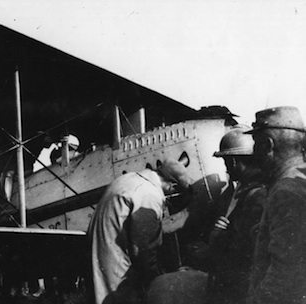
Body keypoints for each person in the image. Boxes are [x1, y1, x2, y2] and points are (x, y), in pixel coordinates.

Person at [88, 158, 192, 304]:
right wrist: (159, 282)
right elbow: (144, 251)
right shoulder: (149, 194)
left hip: (100, 259)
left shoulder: (128, 178)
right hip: (118, 271)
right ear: (172, 186)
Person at [246, 106, 306, 303]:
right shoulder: (299, 179)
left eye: (256, 144)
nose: (254, 152)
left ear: (269, 145)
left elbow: (284, 277)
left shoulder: (284, 192)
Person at [207, 125, 266, 303]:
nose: (226, 169)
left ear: (232, 161)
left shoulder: (255, 195)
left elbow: (242, 251)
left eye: (226, 162)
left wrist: (218, 236)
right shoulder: (249, 188)